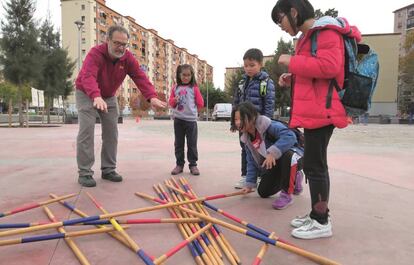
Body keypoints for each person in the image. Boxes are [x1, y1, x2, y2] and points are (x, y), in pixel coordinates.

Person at [272, 0, 360, 239]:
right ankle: (316, 214)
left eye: (280, 19)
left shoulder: (326, 31)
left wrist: (291, 61)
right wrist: (293, 76)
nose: (280, 26)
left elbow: (330, 67)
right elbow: (315, 71)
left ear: (293, 12)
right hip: (315, 110)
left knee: (315, 166)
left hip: (324, 111)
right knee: (314, 164)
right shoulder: (309, 36)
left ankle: (321, 221)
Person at [75, 25, 167, 187]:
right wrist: (95, 96)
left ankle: (108, 169)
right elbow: (88, 76)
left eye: (124, 44)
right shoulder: (95, 54)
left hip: (109, 96)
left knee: (112, 132)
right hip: (86, 92)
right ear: (107, 40)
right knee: (86, 131)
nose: (121, 47)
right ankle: (85, 172)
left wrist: (151, 96)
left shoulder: (128, 58)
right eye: (117, 43)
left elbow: (140, 77)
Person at [231, 102, 304, 209]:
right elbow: (251, 162)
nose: (237, 123)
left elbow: (290, 136)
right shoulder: (247, 139)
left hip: (297, 155)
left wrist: (272, 153)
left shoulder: (268, 125)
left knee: (288, 155)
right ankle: (293, 178)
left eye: (241, 119)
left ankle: (287, 194)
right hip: (277, 162)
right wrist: (249, 185)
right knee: (263, 192)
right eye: (235, 119)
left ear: (252, 117)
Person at [233, 48, 275, 189]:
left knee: (261, 150)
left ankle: (261, 176)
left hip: (258, 125)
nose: (248, 69)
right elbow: (236, 102)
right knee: (245, 148)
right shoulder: (241, 82)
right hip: (243, 124)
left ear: (260, 64)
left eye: (252, 65)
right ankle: (246, 176)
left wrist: (266, 125)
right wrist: (235, 122)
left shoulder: (265, 82)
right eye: (246, 66)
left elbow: (269, 104)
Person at [169, 64, 204, 176]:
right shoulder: (175, 88)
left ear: (192, 76)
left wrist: (195, 112)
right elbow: (171, 103)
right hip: (178, 120)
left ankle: (193, 165)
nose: (186, 77)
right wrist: (174, 100)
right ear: (179, 75)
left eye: (188, 75)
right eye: (184, 75)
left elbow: (200, 103)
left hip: (191, 121)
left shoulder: (194, 88)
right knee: (178, 144)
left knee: (192, 144)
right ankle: (179, 164)